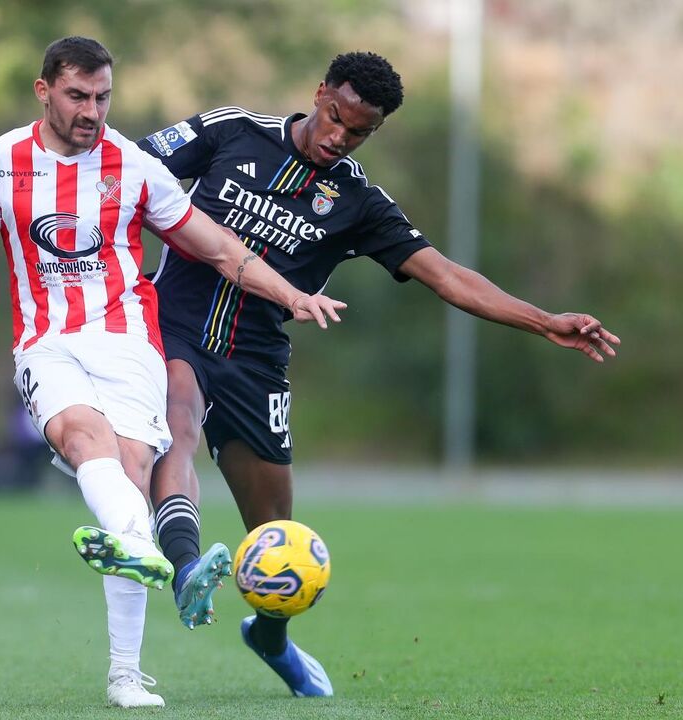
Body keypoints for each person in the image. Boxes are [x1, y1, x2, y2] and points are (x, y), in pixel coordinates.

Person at [138, 51, 621, 697]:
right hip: (172, 324)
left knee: (278, 532)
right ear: (320, 93)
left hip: (255, 360)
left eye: (359, 131)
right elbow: (124, 167)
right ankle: (187, 567)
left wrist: (543, 321)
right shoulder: (233, 131)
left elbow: (446, 276)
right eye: (335, 117)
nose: (340, 136)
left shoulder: (359, 202)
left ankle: (272, 636)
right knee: (178, 420)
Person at [0, 37, 346, 709]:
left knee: (129, 478)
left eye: (103, 97)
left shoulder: (134, 165)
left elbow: (220, 248)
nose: (91, 111)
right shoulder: (0, 160)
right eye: (77, 96)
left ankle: (126, 665)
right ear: (43, 91)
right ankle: (145, 558)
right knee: (83, 438)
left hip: (130, 345)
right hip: (47, 343)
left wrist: (291, 293)